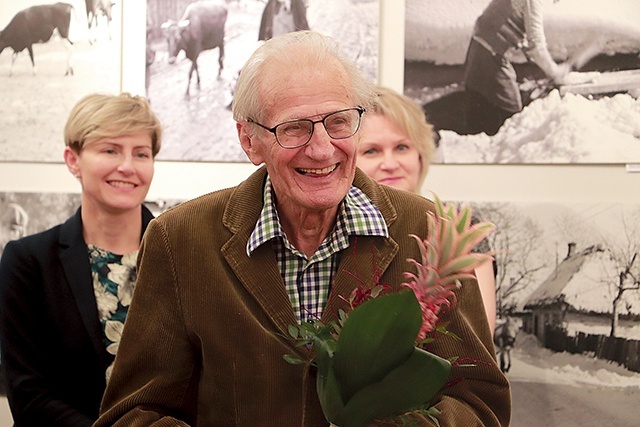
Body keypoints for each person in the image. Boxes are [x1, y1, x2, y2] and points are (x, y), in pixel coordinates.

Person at [95, 31, 510, 426]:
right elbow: (132, 414)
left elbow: (479, 402)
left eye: (339, 122)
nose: (322, 148)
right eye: (294, 127)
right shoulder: (180, 238)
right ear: (249, 139)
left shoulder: (430, 233)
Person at [0, 93, 162, 426]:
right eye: (110, 150)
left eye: (141, 153)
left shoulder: (185, 256)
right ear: (73, 160)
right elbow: (28, 394)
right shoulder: (27, 262)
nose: (127, 166)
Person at [357, 85, 498, 335]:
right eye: (371, 151)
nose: (390, 164)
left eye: (402, 147)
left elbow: (480, 339)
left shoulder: (459, 230)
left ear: (420, 155)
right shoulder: (333, 232)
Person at [462, 0, 571, 135]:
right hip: (489, 55)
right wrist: (554, 71)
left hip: (479, 49)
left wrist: (545, 56)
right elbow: (536, 45)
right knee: (512, 114)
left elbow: (508, 24)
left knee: (482, 116)